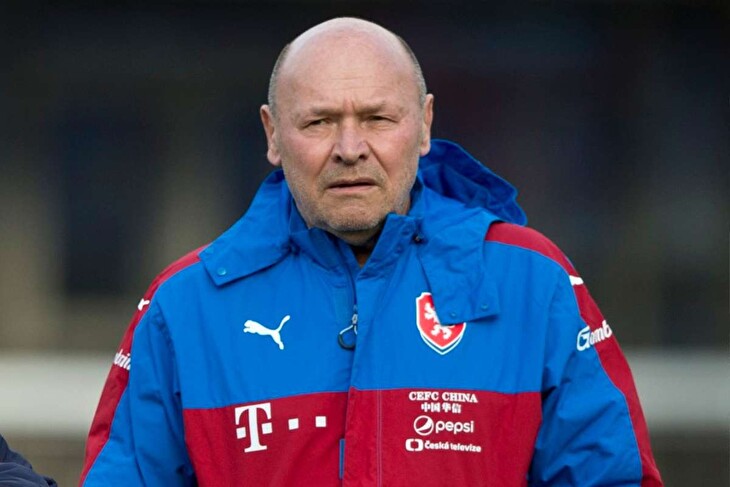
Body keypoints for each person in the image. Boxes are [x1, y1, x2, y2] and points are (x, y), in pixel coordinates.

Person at [80, 17, 663, 486]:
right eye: (319, 122)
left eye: (378, 118)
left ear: (425, 124)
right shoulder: (185, 305)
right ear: (273, 134)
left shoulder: (531, 281)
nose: (350, 148)